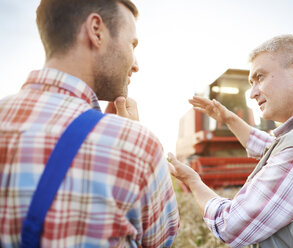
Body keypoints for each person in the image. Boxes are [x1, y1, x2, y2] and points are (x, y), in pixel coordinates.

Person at [0, 0, 179, 247]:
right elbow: (162, 242)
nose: (136, 64)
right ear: (96, 30)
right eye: (132, 44)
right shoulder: (137, 147)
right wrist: (131, 136)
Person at [168, 34, 293, 248]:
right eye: (251, 83)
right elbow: (274, 147)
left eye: (260, 77)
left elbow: (230, 226)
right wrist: (229, 119)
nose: (252, 94)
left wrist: (194, 181)